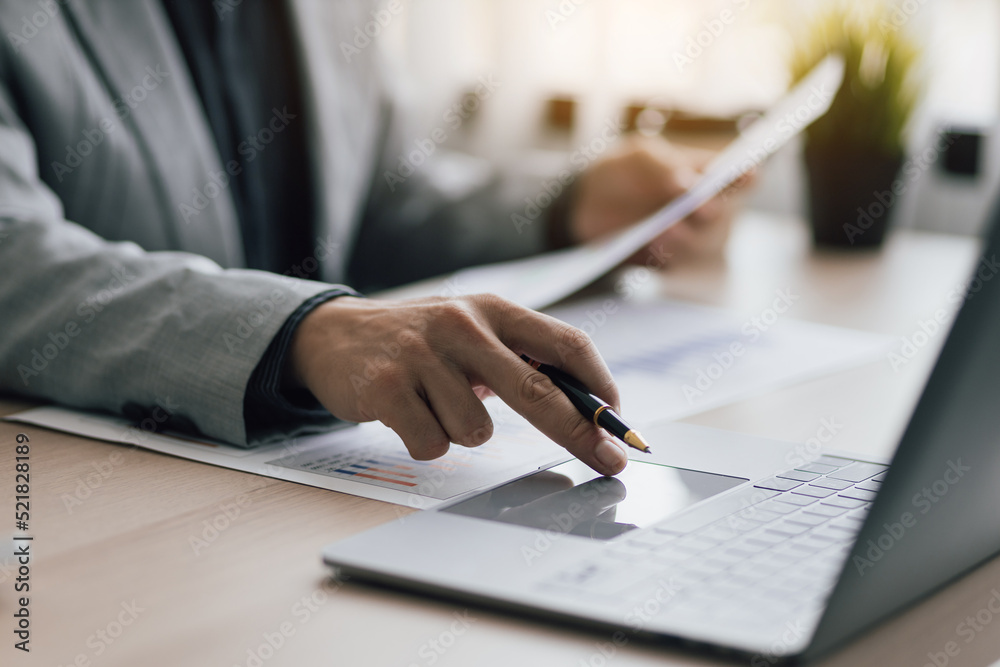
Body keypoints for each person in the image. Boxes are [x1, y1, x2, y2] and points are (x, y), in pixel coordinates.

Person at [0, 1, 744, 477]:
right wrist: (304, 335)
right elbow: (15, 257)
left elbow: (380, 201)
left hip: (290, 500)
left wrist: (563, 208)